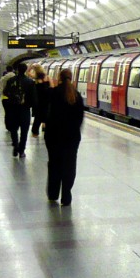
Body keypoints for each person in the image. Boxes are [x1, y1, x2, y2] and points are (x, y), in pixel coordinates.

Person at [44, 69, 85, 206]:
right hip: (72, 137)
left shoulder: (53, 93)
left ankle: (53, 193)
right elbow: (80, 119)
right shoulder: (77, 96)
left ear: (59, 78)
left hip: (53, 136)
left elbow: (47, 113)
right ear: (71, 78)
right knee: (69, 165)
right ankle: (66, 195)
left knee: (54, 163)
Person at [3, 63, 36, 157]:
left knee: (13, 129)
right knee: (24, 132)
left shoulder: (11, 80)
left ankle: (15, 145)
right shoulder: (30, 82)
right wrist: (32, 108)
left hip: (13, 109)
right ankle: (21, 151)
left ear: (17, 69)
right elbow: (34, 97)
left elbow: (5, 92)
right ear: (26, 70)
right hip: (25, 110)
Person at [31, 70, 51, 137]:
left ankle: (35, 132)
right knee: (45, 117)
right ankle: (44, 129)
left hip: (38, 104)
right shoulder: (47, 84)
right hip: (45, 104)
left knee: (37, 119)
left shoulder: (36, 85)